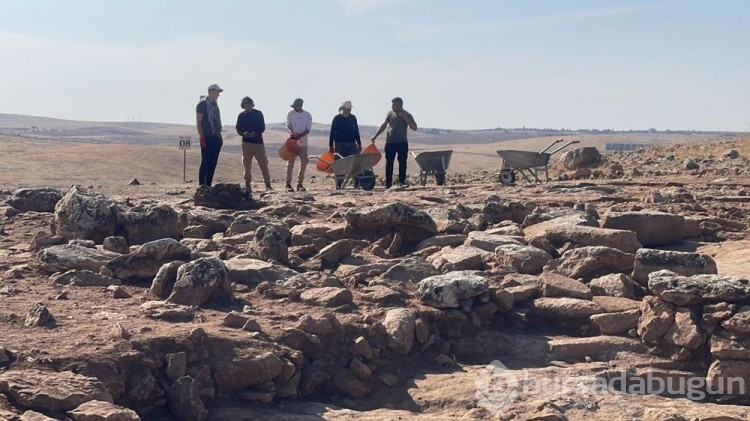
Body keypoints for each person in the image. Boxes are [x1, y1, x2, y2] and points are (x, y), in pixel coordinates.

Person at [371, 97, 417, 188]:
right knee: (389, 162)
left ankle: (402, 181)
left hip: (402, 143)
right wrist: (375, 135)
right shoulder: (390, 113)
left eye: (393, 104)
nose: (391, 106)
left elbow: (414, 127)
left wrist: (405, 118)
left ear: (400, 105)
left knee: (402, 162)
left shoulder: (407, 114)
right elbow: (384, 125)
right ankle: (388, 183)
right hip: (390, 142)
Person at [235, 96, 272, 199]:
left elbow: (262, 127)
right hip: (246, 143)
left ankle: (268, 184)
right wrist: (244, 134)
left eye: (249, 105)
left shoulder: (258, 114)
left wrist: (255, 134)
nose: (248, 107)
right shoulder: (241, 116)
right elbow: (238, 128)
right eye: (246, 106)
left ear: (252, 104)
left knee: (263, 164)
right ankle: (247, 185)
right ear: (243, 106)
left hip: (258, 142)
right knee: (247, 165)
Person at [329, 100, 362, 189]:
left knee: (355, 163)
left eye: (350, 108)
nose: (349, 110)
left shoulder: (353, 118)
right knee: (340, 164)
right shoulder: (337, 118)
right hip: (340, 144)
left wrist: (359, 143)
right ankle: (339, 184)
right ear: (343, 108)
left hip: (351, 143)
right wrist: (331, 145)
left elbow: (356, 131)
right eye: (347, 108)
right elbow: (332, 132)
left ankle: (357, 183)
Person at [196, 84, 224, 186]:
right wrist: (202, 137)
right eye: (217, 92)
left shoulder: (215, 105)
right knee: (205, 161)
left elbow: (217, 121)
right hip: (207, 137)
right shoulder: (202, 104)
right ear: (211, 92)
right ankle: (202, 185)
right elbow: (199, 122)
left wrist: (220, 137)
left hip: (216, 137)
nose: (218, 95)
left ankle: (208, 184)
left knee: (213, 163)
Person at [285, 98, 312, 192]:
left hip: (303, 141)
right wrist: (292, 133)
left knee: (304, 162)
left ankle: (300, 183)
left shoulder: (307, 115)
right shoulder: (290, 114)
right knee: (290, 162)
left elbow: (308, 129)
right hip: (293, 141)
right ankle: (288, 183)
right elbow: (288, 125)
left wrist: (300, 135)